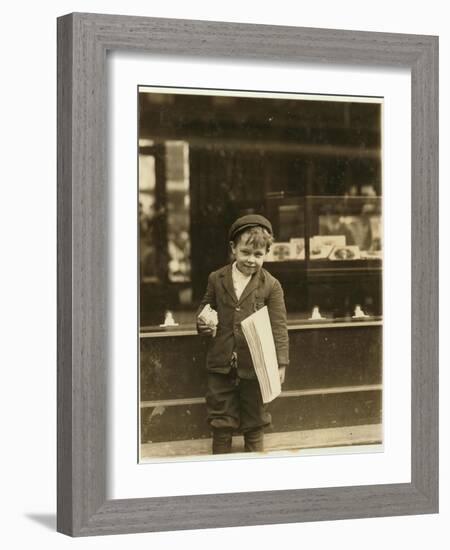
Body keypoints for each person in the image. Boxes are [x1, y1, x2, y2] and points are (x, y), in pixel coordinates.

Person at [196, 214, 289, 454]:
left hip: (256, 364)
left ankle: (254, 469)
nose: (251, 260)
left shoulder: (271, 285)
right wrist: (204, 323)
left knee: (255, 419)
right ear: (233, 249)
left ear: (267, 253)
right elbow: (207, 308)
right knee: (221, 420)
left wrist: (280, 364)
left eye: (258, 255)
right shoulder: (217, 279)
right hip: (221, 362)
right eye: (246, 252)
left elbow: (279, 326)